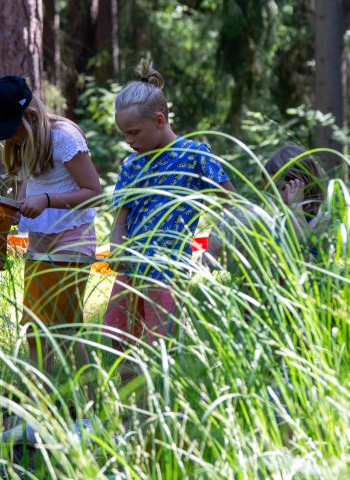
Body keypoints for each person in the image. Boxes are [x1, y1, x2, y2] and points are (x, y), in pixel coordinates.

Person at [0, 76, 102, 444]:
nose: (8, 137)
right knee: (35, 333)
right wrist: (17, 211)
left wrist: (47, 202)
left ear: (30, 116)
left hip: (72, 243)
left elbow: (93, 193)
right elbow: (31, 189)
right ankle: (37, 417)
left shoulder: (64, 137)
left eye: (11, 128)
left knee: (65, 331)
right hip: (40, 246)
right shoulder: (22, 146)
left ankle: (90, 416)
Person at [104, 60, 235, 375]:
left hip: (169, 271)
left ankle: (165, 412)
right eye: (124, 134)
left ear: (160, 120)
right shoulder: (132, 165)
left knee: (160, 347)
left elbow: (231, 204)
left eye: (134, 132)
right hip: (132, 270)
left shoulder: (195, 155)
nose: (129, 141)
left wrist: (215, 245)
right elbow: (120, 220)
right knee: (117, 340)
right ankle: (132, 414)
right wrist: (116, 246)